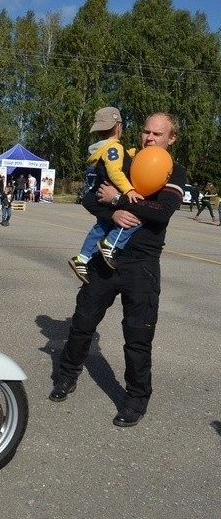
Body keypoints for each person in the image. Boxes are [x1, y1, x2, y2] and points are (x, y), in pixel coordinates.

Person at [50, 112, 186, 428]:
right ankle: (67, 375)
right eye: (146, 132)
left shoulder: (174, 172)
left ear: (171, 139)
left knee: (138, 336)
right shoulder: (123, 161)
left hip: (142, 266)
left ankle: (136, 399)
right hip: (105, 260)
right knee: (82, 321)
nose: (150, 138)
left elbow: (161, 212)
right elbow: (89, 198)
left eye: (157, 134)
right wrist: (114, 214)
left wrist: (120, 198)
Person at [68, 107, 146, 283]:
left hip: (101, 194)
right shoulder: (114, 148)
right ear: (118, 126)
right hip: (112, 193)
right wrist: (129, 190)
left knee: (100, 227)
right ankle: (111, 245)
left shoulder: (104, 148)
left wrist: (135, 153)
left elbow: (120, 158)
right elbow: (115, 171)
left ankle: (82, 259)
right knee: (134, 219)